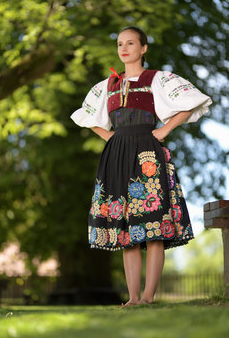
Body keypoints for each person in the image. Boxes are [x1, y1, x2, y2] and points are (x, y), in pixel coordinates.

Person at [70, 26, 212, 307]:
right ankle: (133, 298)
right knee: (127, 229)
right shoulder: (108, 84)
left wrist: (164, 130)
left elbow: (193, 101)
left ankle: (148, 297)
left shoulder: (156, 79)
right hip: (117, 153)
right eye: (120, 43)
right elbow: (85, 116)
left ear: (143, 48)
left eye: (131, 43)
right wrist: (110, 137)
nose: (124, 48)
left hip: (147, 151)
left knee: (152, 223)